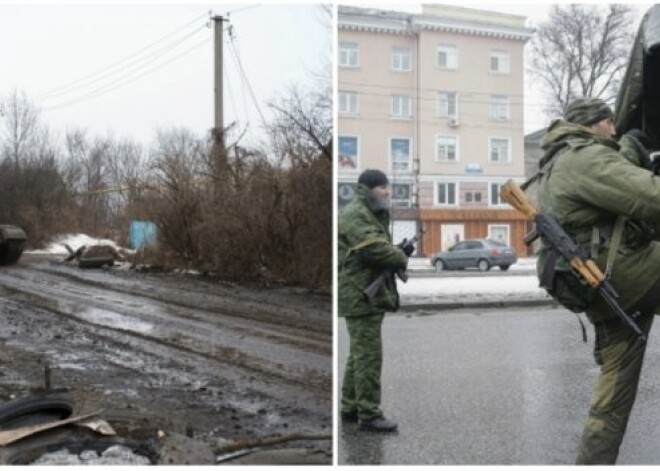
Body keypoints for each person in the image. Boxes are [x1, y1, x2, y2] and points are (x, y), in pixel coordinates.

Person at [536, 97, 660, 464]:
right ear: (596, 124)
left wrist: (635, 158)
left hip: (601, 286)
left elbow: (612, 186)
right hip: (627, 275)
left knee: (613, 395)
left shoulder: (559, 160)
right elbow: (652, 196)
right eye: (610, 123)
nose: (615, 129)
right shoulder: (586, 158)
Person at [338, 169, 412, 432]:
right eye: (382, 188)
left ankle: (350, 406)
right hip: (360, 294)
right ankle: (369, 415)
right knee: (368, 356)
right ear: (368, 189)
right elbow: (373, 248)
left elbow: (377, 245)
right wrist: (399, 257)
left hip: (361, 293)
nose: (387, 192)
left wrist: (396, 251)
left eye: (387, 187)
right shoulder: (357, 214)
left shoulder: (366, 212)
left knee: (358, 355)